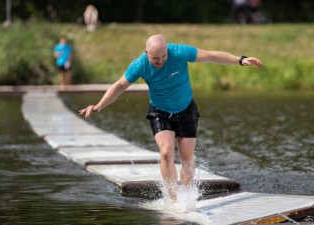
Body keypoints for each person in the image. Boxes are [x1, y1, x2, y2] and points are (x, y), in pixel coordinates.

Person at [78, 34, 263, 202]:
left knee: (187, 157)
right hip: (160, 112)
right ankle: (173, 199)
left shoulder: (179, 52)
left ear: (168, 50)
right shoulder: (140, 65)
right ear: (146, 53)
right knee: (166, 152)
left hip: (186, 109)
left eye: (163, 57)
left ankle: (187, 196)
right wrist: (99, 106)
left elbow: (212, 55)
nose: (160, 61)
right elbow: (119, 86)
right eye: (155, 58)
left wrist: (241, 59)